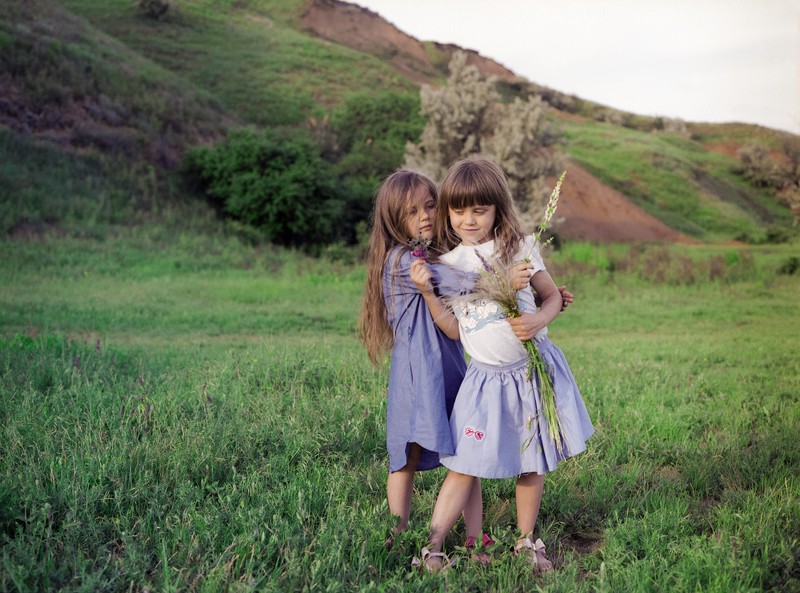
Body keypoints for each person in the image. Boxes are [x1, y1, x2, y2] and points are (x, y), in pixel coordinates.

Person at [410, 155, 594, 573]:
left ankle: (527, 542)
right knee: (463, 463)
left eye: (480, 210)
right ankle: (433, 547)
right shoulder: (446, 265)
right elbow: (456, 331)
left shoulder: (521, 247)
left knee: (532, 460)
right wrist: (428, 295)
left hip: (532, 373)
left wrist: (539, 319)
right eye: (459, 211)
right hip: (484, 380)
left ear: (497, 208)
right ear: (447, 212)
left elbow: (550, 298)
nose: (469, 220)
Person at [357, 169, 557, 553]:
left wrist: (543, 298)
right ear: (392, 218)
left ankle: (473, 536)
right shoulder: (405, 261)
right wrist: (504, 278)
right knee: (406, 455)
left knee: (468, 453)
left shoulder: (435, 255)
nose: (425, 216)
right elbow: (457, 280)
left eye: (431, 205)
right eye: (412, 211)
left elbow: (465, 284)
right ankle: (399, 534)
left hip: (454, 367)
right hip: (419, 373)